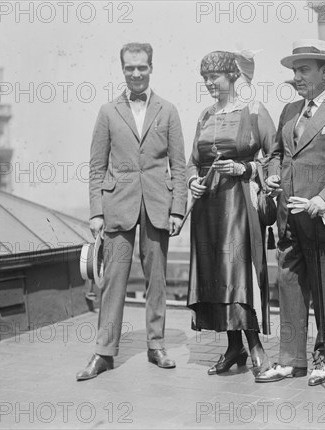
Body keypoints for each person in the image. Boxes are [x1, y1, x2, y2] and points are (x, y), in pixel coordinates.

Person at [256, 39, 325, 386]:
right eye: (294, 70)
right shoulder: (289, 111)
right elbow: (275, 153)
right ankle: (291, 360)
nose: (296, 77)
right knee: (289, 286)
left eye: (303, 69)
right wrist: (273, 174)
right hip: (288, 218)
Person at [77, 42, 187, 381]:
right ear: (122, 69)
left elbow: (179, 166)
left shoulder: (168, 110)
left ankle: (156, 346)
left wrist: (178, 210)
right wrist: (96, 211)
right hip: (117, 205)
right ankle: (104, 353)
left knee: (156, 280)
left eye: (141, 67)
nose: (136, 73)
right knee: (113, 281)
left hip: (157, 205)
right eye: (129, 68)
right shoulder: (108, 112)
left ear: (151, 67)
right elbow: (96, 166)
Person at [186, 50, 275, 378]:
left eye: (215, 76)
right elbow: (192, 161)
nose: (209, 83)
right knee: (216, 277)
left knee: (237, 276)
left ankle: (255, 349)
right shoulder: (204, 116)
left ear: (233, 76)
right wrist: (193, 181)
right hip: (208, 208)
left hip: (239, 204)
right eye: (205, 77)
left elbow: (275, 155)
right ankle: (233, 346)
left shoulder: (254, 111)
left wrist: (245, 167)